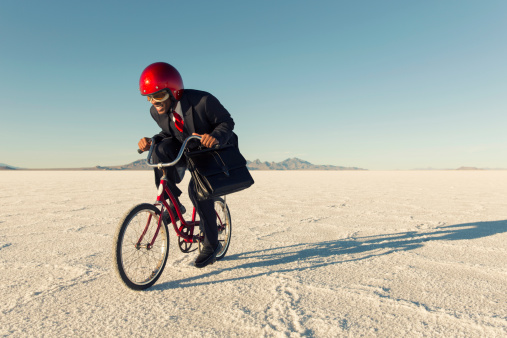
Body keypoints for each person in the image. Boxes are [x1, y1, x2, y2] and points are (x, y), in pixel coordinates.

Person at [137, 62, 237, 268]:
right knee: (159, 149)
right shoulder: (156, 112)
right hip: (188, 149)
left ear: (173, 90)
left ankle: (212, 244)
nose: (153, 102)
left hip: (212, 151)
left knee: (197, 189)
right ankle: (173, 204)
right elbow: (170, 134)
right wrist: (151, 140)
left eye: (158, 96)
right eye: (149, 97)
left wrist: (214, 136)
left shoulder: (203, 101)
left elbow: (227, 122)